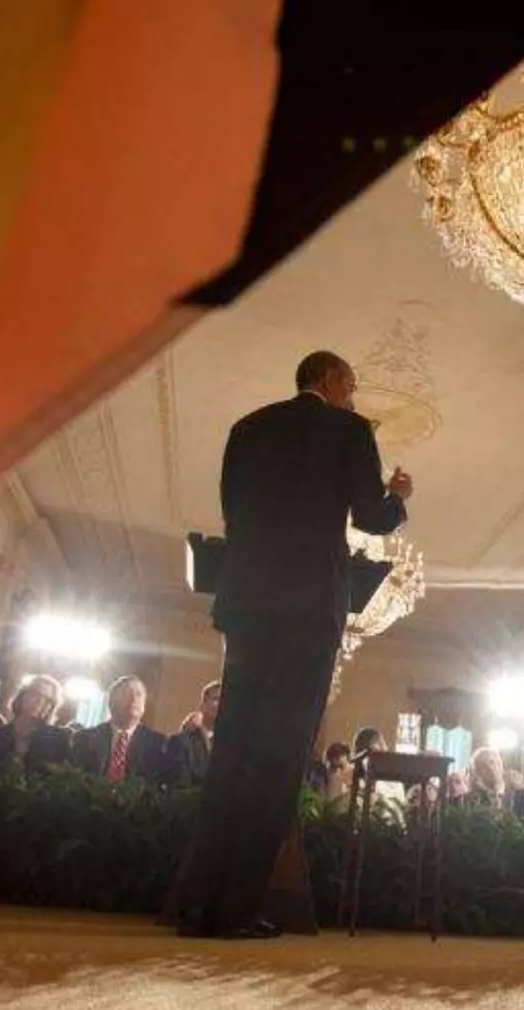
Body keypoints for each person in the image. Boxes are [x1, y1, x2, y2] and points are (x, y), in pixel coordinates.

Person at [172, 350, 410, 940]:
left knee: (232, 750)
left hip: (248, 604)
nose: (353, 398)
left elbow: (234, 515)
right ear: (329, 381)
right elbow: (372, 518)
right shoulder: (350, 430)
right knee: (279, 759)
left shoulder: (247, 429)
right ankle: (234, 912)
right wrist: (398, 496)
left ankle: (194, 905)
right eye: (350, 386)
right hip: (308, 612)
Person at [73, 676, 167, 785]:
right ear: (111, 702)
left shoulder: (158, 743)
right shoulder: (85, 738)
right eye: (126, 693)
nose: (133, 699)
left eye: (138, 694)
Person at [0, 675, 72, 771]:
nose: (40, 701)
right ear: (23, 695)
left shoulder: (58, 740)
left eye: (48, 700)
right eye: (36, 694)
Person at [163, 680, 220, 789]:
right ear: (203, 705)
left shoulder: (234, 745)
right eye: (216, 699)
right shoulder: (182, 742)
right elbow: (180, 789)